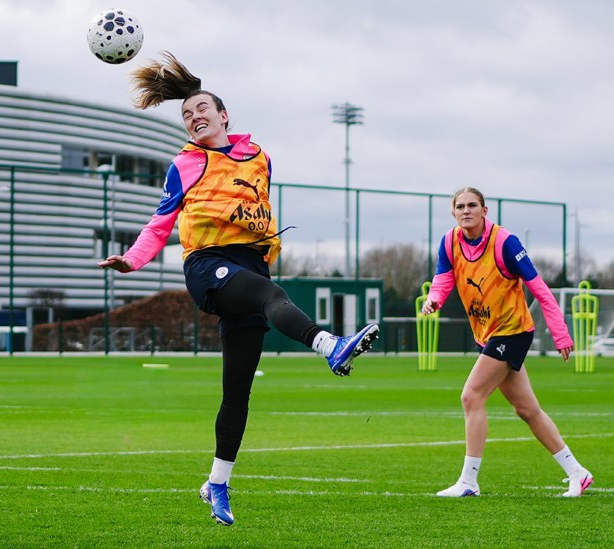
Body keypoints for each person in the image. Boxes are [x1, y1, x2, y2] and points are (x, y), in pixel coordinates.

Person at [98, 52, 379, 526]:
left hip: (250, 267)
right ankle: (330, 346)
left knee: (238, 393)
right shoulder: (184, 164)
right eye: (187, 115)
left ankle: (217, 484)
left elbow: (255, 216)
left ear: (224, 115)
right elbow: (160, 222)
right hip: (208, 267)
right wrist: (133, 259)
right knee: (274, 299)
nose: (194, 117)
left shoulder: (260, 157)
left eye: (201, 109)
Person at [421, 186, 592, 498]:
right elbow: (443, 277)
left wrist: (560, 332)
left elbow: (538, 287)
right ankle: (576, 472)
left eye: (472, 205)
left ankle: (469, 482)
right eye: (460, 206)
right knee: (527, 410)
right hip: (486, 333)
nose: (465, 211)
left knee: (471, 396)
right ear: (453, 212)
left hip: (512, 330)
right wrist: (434, 299)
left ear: (485, 211)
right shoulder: (449, 242)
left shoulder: (505, 242)